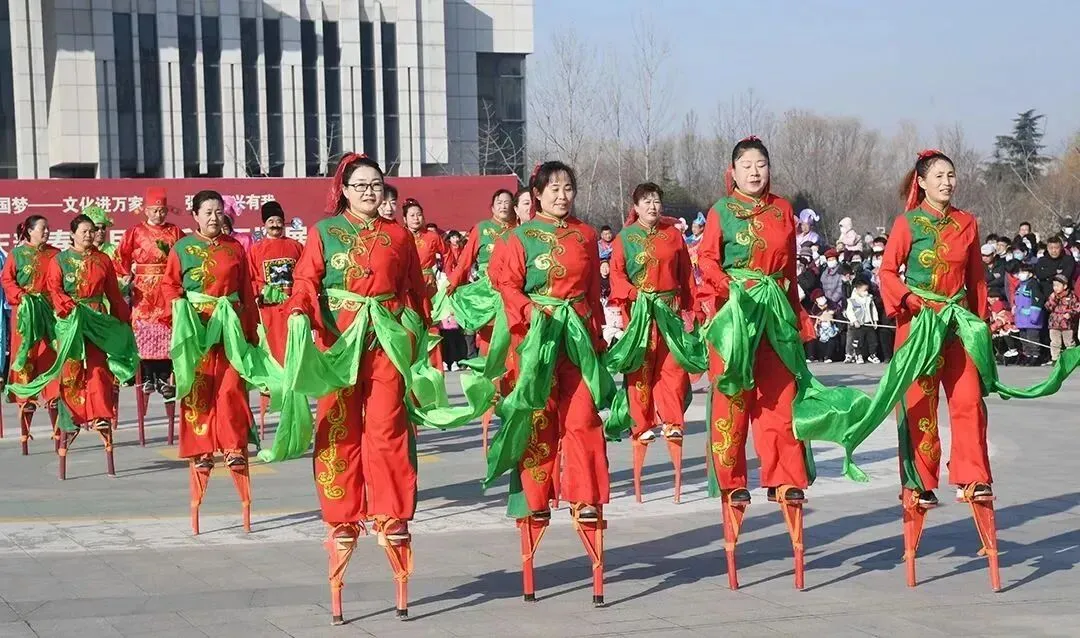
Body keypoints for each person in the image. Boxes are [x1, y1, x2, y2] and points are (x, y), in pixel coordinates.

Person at [280, 154, 431, 622]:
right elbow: (307, 279)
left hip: (385, 339)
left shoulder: (399, 236)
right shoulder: (325, 232)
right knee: (338, 427)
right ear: (343, 190)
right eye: (360, 184)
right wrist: (300, 310)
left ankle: (391, 511)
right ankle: (342, 514)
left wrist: (417, 334)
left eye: (376, 184)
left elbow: (414, 291)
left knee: (388, 426)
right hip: (339, 341)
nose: (369, 191)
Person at [485, 160, 612, 603]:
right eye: (553, 188)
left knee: (584, 419)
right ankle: (535, 500)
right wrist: (530, 312)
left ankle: (586, 496)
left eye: (568, 187)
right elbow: (506, 286)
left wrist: (597, 337)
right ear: (536, 194)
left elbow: (593, 292)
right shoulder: (518, 238)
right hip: (535, 341)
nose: (562, 195)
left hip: (576, 339)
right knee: (538, 424)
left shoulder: (586, 235)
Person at [697, 136, 814, 505]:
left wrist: (796, 314)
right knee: (733, 395)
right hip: (736, 315)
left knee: (780, 394)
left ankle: (784, 476)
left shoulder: (782, 209)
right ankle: (731, 480)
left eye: (760, 165)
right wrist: (728, 286)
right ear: (732, 172)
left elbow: (789, 269)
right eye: (746, 166)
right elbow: (707, 259)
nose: (754, 172)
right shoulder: (722, 210)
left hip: (776, 311)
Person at [878, 149, 991, 506]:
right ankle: (920, 481)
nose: (946, 182)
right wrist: (908, 298)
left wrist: (981, 323)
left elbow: (976, 279)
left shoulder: (966, 222)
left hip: (957, 324)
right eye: (939, 176)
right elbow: (886, 271)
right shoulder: (907, 223)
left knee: (968, 400)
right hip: (920, 325)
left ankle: (972, 477)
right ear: (922, 182)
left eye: (951, 175)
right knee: (919, 403)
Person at [161, 190, 260, 533]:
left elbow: (246, 291)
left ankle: (233, 446)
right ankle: (202, 449)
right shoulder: (182, 248)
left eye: (219, 211)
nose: (214, 217)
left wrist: (251, 330)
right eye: (208, 212)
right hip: (198, 327)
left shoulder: (235, 248)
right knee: (199, 390)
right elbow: (170, 286)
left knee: (231, 388)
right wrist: (180, 309)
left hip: (229, 324)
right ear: (195, 215)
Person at [11, 215, 134, 478]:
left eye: (92, 231)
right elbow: (54, 289)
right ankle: (72, 419)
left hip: (96, 318)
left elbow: (113, 293)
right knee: (71, 372)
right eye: (84, 231)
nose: (89, 235)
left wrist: (123, 319)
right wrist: (66, 308)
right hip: (70, 320)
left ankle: (100, 414)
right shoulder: (61, 260)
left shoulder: (103, 260)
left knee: (99, 369)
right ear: (73, 234)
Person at [604, 182, 702, 502]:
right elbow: (617, 275)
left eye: (657, 201)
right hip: (641, 313)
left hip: (669, 311)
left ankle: (672, 421)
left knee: (673, 367)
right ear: (636, 206)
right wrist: (634, 295)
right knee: (641, 370)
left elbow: (686, 276)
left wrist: (693, 310)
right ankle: (641, 423)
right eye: (646, 201)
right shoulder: (625, 238)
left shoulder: (672, 235)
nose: (653, 206)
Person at [115, 187, 184, 398]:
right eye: (154, 210)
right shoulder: (135, 231)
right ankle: (146, 376)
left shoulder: (175, 231)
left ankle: (163, 376)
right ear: (146, 210)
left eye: (162, 210)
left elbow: (183, 254)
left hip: (167, 284)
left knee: (167, 328)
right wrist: (125, 274)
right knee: (143, 329)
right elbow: (121, 255)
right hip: (143, 289)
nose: (158, 214)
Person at [1, 215, 61, 452]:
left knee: (51, 360)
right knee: (26, 360)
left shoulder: (56, 254)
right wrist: (21, 296)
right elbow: (7, 280)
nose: (47, 232)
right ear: (29, 231)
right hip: (25, 314)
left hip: (49, 313)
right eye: (42, 228)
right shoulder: (16, 254)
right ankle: (25, 415)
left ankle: (56, 419)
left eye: (48, 228)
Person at [442, 189, 518, 356]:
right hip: (488, 290)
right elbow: (465, 260)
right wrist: (453, 282)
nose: (503, 206)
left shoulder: (518, 229)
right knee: (489, 337)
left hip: (513, 288)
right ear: (492, 207)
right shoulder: (481, 228)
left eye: (507, 202)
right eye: (499, 203)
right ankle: (487, 370)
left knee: (513, 335)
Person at [246, 201, 303, 368]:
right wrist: (262, 290)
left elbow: (304, 273)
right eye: (271, 221)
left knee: (294, 349)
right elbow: (251, 276)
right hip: (268, 310)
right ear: (264, 224)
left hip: (292, 307)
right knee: (271, 349)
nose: (275, 225)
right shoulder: (256, 249)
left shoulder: (296, 246)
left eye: (278, 221)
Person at [403, 198, 448, 371]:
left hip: (427, 285)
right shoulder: (400, 235)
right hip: (406, 286)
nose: (416, 218)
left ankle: (435, 368)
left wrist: (451, 278)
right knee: (408, 326)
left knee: (431, 325)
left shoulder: (432, 237)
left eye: (419, 214)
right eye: (412, 215)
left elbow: (449, 254)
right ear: (405, 219)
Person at [844, 279, 879, 364]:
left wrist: (875, 320)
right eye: (864, 290)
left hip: (868, 323)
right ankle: (858, 355)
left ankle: (872, 355)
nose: (866, 292)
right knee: (858, 341)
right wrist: (854, 320)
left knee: (873, 340)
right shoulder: (853, 300)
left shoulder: (869, 298)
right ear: (857, 289)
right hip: (858, 325)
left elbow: (873, 309)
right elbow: (850, 312)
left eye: (867, 290)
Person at [1044, 273, 1078, 364]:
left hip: (1067, 324)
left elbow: (1077, 307)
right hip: (1054, 323)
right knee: (1055, 342)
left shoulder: (1071, 296)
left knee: (1069, 342)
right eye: (1054, 285)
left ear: (1065, 286)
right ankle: (1055, 359)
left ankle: (1071, 359)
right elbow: (1048, 307)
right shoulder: (1053, 296)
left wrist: (1070, 313)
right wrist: (1053, 299)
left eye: (1058, 285)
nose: (1055, 288)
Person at [807, 290, 841, 362]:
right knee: (812, 338)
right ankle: (811, 356)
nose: (823, 306)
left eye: (825, 304)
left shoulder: (832, 306)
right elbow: (813, 322)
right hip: (820, 332)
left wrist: (831, 315)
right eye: (821, 305)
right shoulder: (814, 310)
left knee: (832, 340)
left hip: (830, 330)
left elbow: (836, 314)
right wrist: (817, 324)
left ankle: (828, 357)